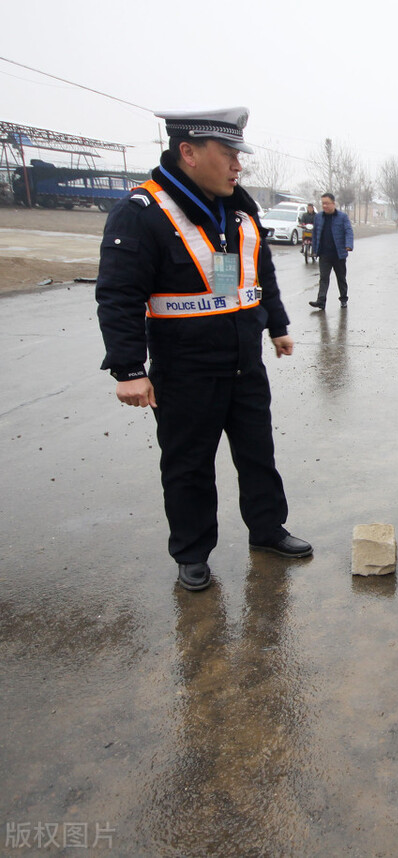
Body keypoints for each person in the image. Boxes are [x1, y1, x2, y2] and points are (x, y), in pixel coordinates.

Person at [95, 106, 312, 593]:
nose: (239, 166)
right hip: (184, 368)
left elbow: (259, 273)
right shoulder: (142, 212)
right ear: (188, 153)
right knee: (188, 464)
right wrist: (128, 369)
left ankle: (267, 530)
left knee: (258, 453)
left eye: (239, 155)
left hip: (243, 361)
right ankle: (192, 553)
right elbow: (119, 294)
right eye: (229, 154)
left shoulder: (237, 206)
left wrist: (276, 325)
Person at [308, 192, 354, 309]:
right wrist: (314, 249)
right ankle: (321, 301)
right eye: (323, 203)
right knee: (323, 278)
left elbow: (348, 231)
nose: (325, 206)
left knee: (341, 278)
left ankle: (343, 298)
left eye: (327, 203)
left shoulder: (342, 217)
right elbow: (315, 234)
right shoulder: (318, 217)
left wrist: (348, 245)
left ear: (333, 204)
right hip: (324, 254)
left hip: (339, 254)